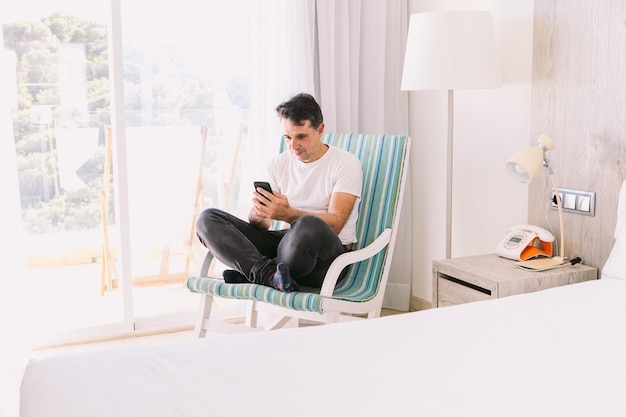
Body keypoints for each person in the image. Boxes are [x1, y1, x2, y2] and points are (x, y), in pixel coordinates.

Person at [195, 93, 362, 292]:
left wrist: (288, 214)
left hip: (326, 258)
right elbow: (262, 226)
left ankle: (252, 272)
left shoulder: (345, 163)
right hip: (286, 246)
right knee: (207, 219)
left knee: (308, 226)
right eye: (288, 137)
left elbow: (337, 223)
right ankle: (267, 275)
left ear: (320, 129)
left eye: (301, 137)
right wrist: (259, 213)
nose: (293, 146)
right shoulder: (279, 164)